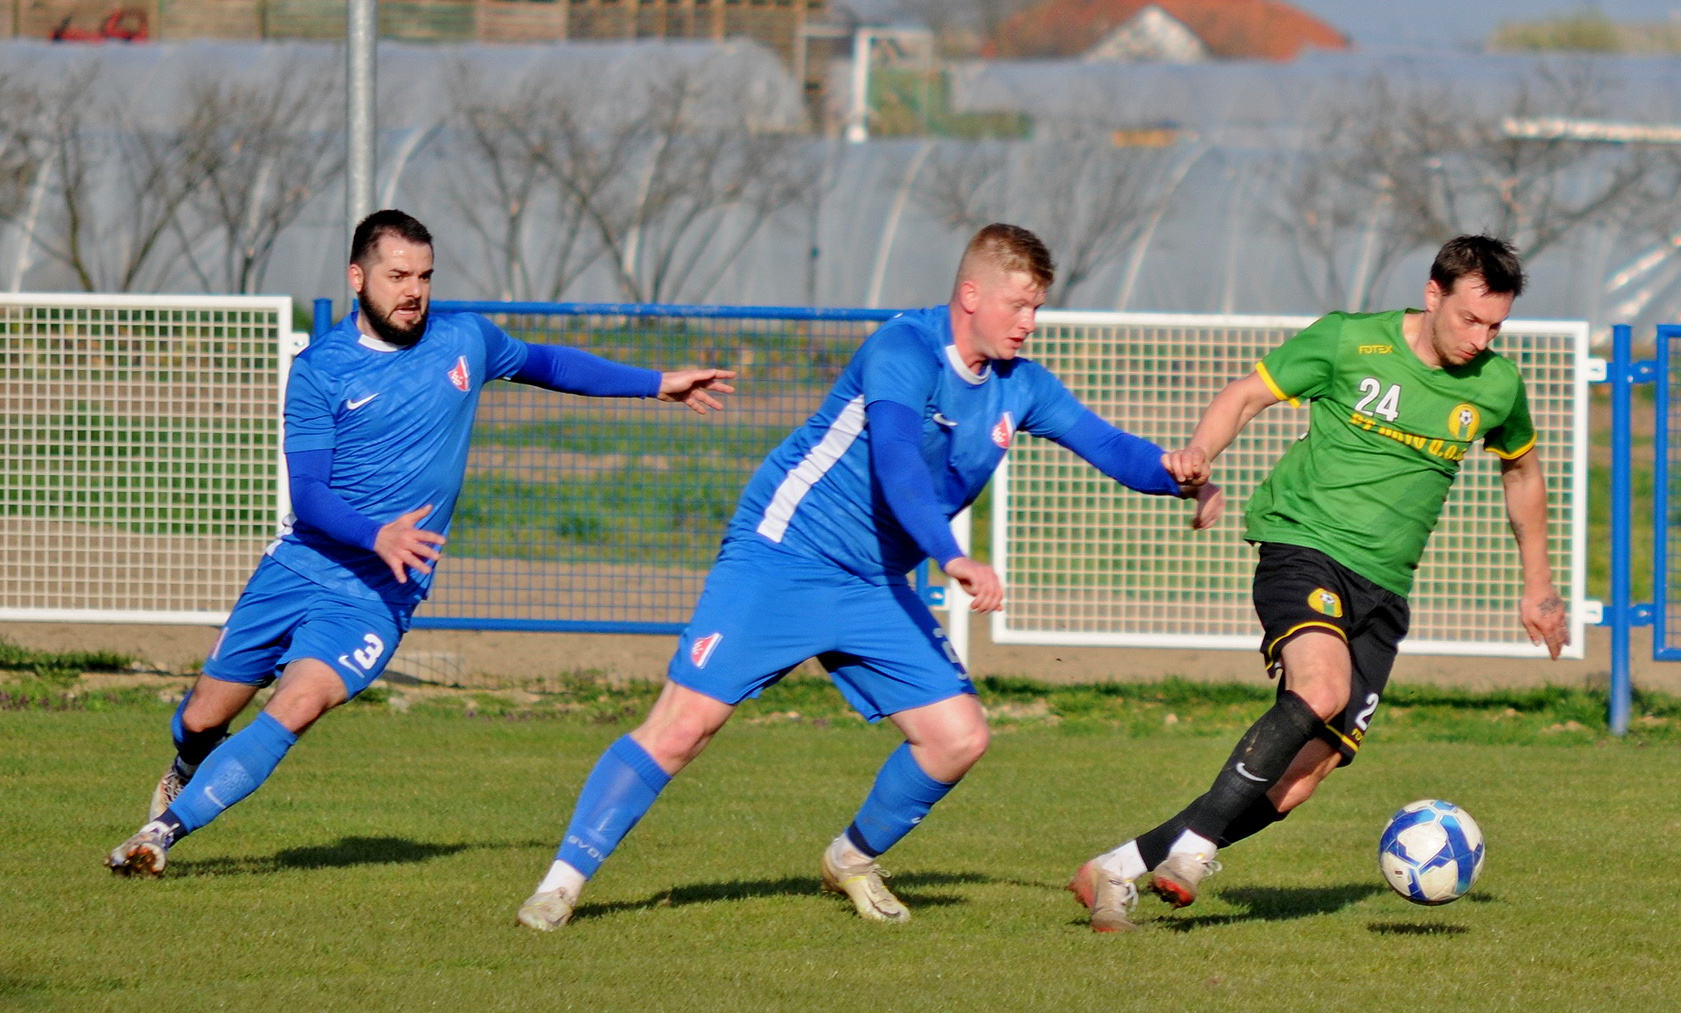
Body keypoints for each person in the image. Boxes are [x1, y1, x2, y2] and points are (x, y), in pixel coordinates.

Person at [516, 223, 1224, 931]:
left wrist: (1178, 475)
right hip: (785, 556)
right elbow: (897, 461)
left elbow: (1107, 445)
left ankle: (850, 860)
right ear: (971, 295)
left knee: (957, 737)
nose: (1029, 322)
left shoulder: (1022, 385)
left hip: (874, 583)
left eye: (1036, 307)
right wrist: (951, 556)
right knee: (683, 728)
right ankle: (560, 886)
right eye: (1018, 305)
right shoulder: (904, 348)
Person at [106, 209, 735, 876]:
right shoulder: (321, 370)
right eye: (398, 275)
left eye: (425, 276)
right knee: (203, 719)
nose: (414, 291)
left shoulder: (466, 339)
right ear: (357, 278)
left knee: (297, 706)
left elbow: (547, 362)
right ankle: (185, 766)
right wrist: (375, 532)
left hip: (378, 592)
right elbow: (309, 493)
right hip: (299, 568)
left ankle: (159, 836)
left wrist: (655, 384)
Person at [1071, 234, 1569, 932]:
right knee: (1322, 688)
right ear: (1433, 294)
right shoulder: (1348, 341)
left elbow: (1522, 472)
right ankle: (1196, 849)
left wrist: (1538, 584)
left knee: (1302, 776)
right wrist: (1201, 452)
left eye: (1495, 326)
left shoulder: (1496, 386)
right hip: (1303, 546)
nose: (1480, 339)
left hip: (1385, 588)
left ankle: (1117, 866)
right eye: (1470, 320)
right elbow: (1247, 394)